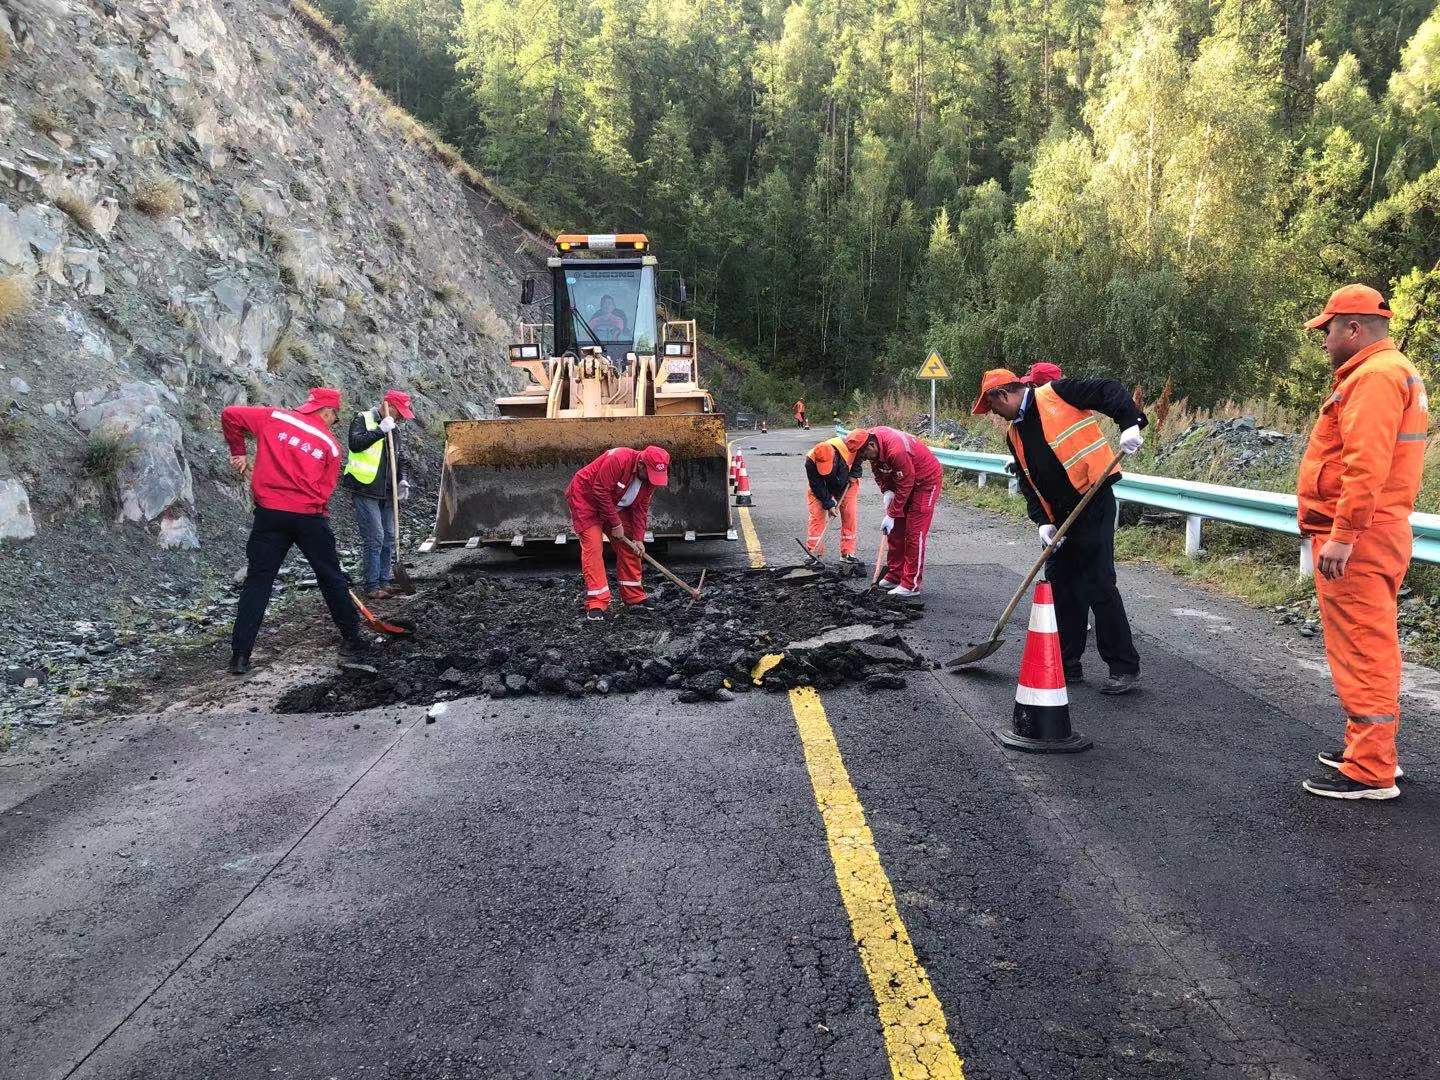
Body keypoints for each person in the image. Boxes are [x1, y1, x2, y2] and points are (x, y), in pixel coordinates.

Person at [1297, 285, 1428, 801]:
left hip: (1361, 536)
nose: (1324, 340)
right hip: (1380, 531)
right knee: (1370, 644)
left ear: (1353, 329)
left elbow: (1365, 466)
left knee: (1362, 649)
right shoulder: (1395, 371)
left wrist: (1342, 535)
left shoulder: (1373, 379)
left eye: (1328, 329)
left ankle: (1371, 768)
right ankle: (1369, 749)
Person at [973, 368, 1146, 694]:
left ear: (1003, 395)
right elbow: (1028, 481)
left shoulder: (1057, 393)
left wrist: (1130, 424)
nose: (993, 414)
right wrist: (1042, 522)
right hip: (1061, 516)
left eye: (992, 407)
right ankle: (1067, 664)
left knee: (1098, 583)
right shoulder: (1014, 434)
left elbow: (1109, 388)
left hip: (1093, 499)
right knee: (1060, 586)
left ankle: (1124, 667)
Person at [221, 387, 367, 675]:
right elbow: (325, 491)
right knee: (330, 576)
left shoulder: (272, 417)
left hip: (269, 515)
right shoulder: (330, 446)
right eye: (333, 418)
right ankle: (352, 638)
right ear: (326, 411)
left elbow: (229, 415)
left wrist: (239, 452)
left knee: (258, 582)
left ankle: (240, 657)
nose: (332, 423)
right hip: (309, 517)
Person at [566, 444, 670, 619]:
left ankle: (634, 597)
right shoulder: (618, 459)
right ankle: (597, 603)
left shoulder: (650, 480)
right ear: (641, 464)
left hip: (613, 503)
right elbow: (599, 491)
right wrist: (615, 524)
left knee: (631, 546)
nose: (653, 480)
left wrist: (638, 539)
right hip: (586, 500)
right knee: (594, 548)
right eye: (651, 474)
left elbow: (641, 509)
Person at [850, 426, 943, 597]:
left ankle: (910, 585)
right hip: (903, 480)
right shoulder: (868, 441)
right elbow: (878, 472)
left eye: (864, 455)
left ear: (871, 445)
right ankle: (895, 574)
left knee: (914, 533)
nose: (865, 459)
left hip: (925, 483)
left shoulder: (896, 450)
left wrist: (892, 513)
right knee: (895, 532)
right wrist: (886, 490)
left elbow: (906, 483)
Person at [342, 389, 414, 600]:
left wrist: (403, 479)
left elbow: (401, 459)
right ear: (387, 405)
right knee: (375, 536)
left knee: (389, 536)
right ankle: (372, 585)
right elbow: (355, 445)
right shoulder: (363, 419)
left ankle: (385, 581)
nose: (401, 417)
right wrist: (380, 431)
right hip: (366, 487)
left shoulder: (396, 430)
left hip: (388, 491)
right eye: (399, 412)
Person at [804, 430, 867, 568]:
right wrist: (828, 503)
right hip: (821, 487)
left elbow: (860, 454)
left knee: (849, 514)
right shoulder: (810, 461)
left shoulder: (846, 447)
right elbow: (817, 485)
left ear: (834, 456)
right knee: (817, 515)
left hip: (846, 483)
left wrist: (855, 473)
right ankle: (813, 552)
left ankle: (847, 553)